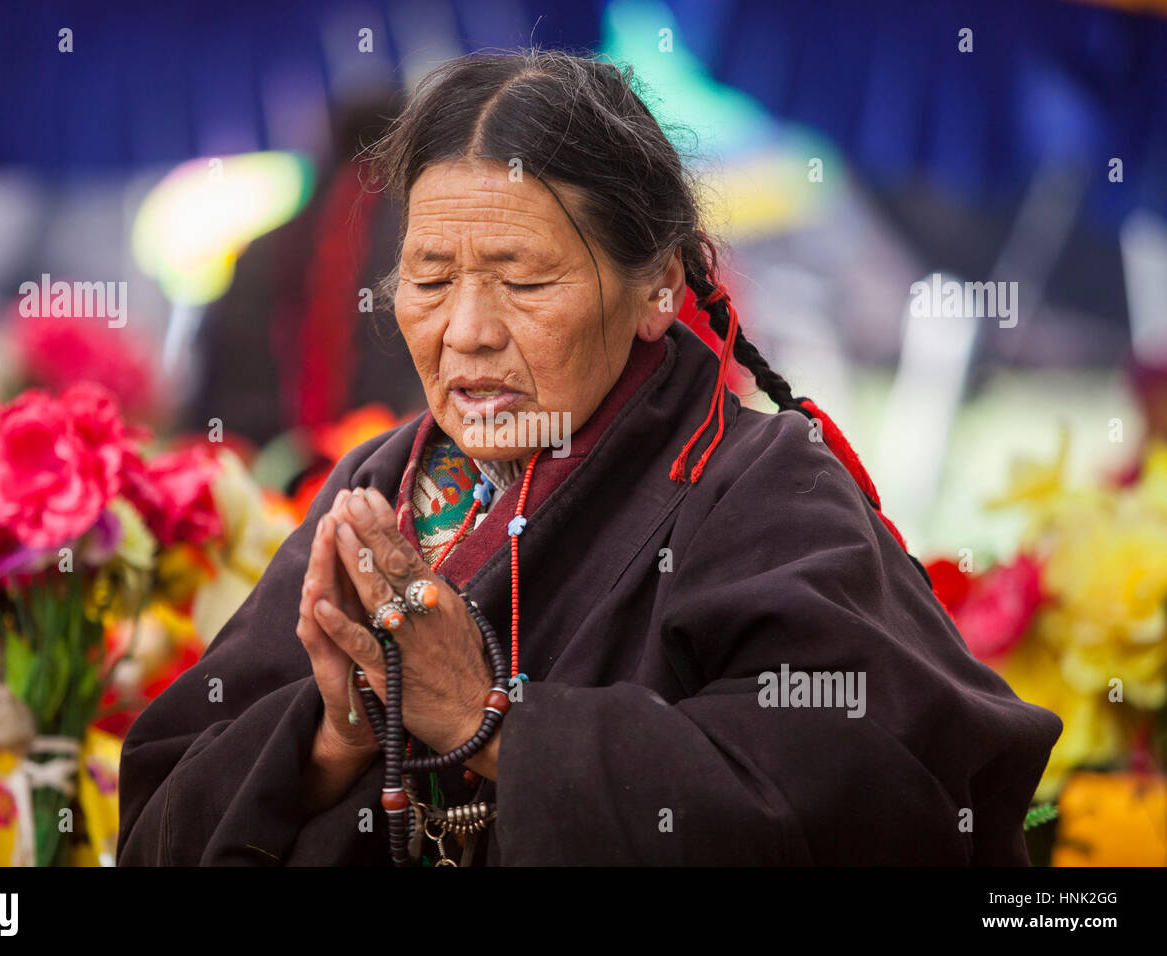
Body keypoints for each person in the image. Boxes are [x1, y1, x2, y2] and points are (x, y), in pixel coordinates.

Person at [117, 49, 1062, 866]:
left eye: (523, 281)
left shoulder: (766, 491)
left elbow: (881, 805)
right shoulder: (379, 495)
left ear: (657, 286)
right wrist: (327, 739)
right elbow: (161, 812)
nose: (468, 332)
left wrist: (494, 724)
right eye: (430, 279)